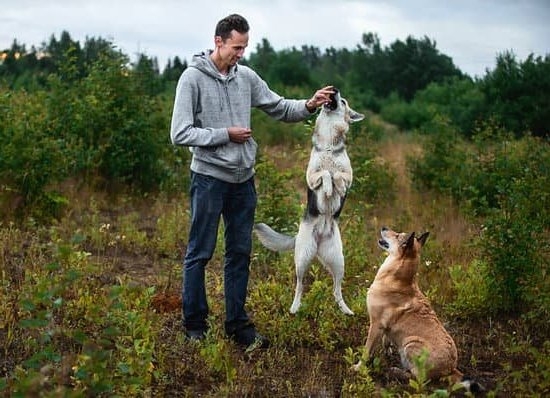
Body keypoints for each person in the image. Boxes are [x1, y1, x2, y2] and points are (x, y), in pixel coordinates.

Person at [170, 13, 335, 350]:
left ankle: (237, 326)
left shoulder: (246, 77)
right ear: (218, 41)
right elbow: (180, 132)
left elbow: (279, 107)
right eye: (236, 47)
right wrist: (225, 135)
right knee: (199, 253)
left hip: (243, 182)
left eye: (244, 47)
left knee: (240, 253)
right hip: (208, 179)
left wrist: (309, 104)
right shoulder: (192, 79)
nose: (240, 53)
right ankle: (195, 326)